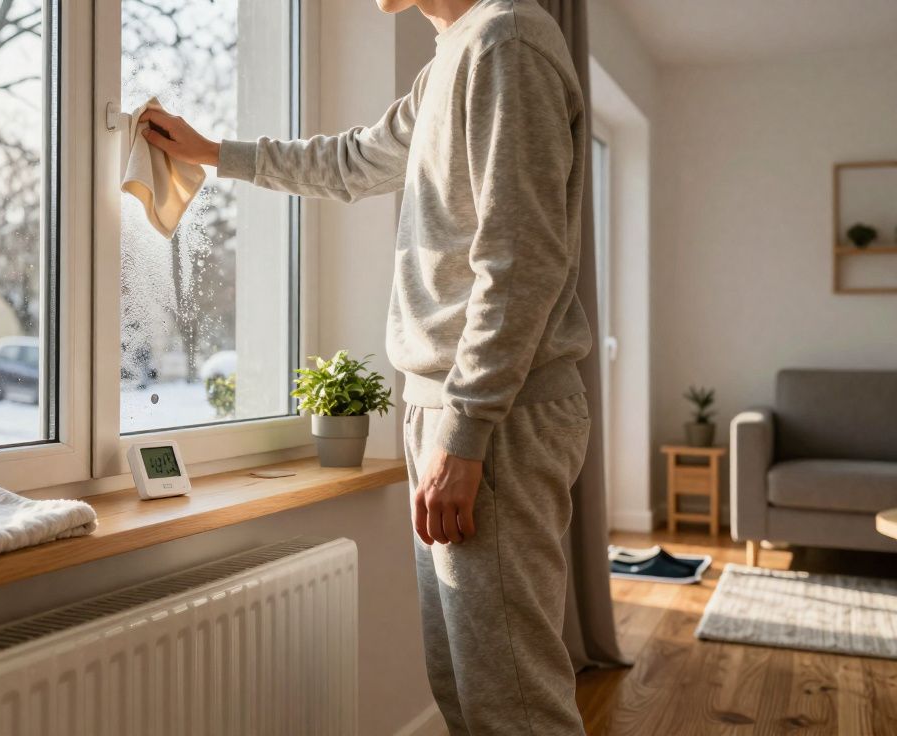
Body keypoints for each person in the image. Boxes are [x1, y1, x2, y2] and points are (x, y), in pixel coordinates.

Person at [142, 0, 591, 733]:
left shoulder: (509, 40)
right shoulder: (454, 54)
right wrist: (216, 153)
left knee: (513, 703)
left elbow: (522, 261)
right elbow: (352, 161)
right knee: (467, 688)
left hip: (492, 413)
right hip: (451, 408)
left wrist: (467, 431)